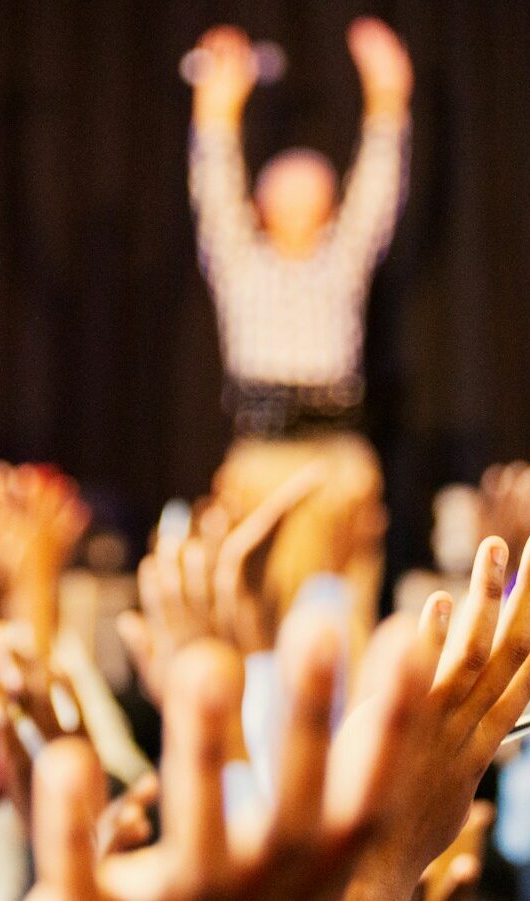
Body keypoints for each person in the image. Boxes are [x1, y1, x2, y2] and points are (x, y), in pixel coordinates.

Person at [186, 15, 412, 646]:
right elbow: (214, 185)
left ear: (330, 203)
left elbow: (378, 192)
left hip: (336, 458)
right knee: (259, 618)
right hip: (261, 457)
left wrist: (388, 97)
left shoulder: (341, 262)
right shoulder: (241, 262)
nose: (299, 193)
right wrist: (216, 108)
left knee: (342, 624)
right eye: (283, 187)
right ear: (261, 205)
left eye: (315, 185)